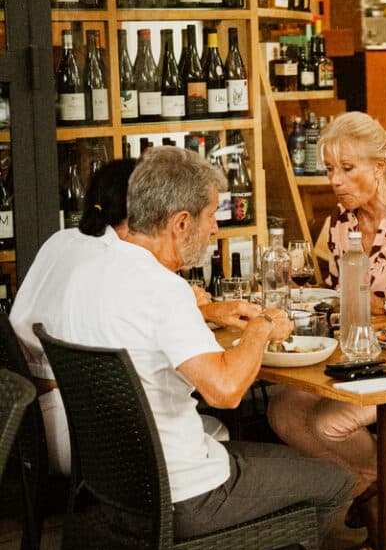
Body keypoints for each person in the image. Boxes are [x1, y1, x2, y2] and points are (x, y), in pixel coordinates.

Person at [33, 145, 354, 550]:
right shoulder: (162, 289)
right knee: (330, 480)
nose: (213, 229)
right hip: (178, 500)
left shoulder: (90, 268)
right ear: (180, 223)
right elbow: (226, 390)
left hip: (110, 495)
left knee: (259, 467)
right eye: (209, 218)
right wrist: (261, 329)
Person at [267, 111, 386, 550]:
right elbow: (332, 295)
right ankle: (369, 486)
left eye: (347, 168)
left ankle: (368, 489)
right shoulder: (340, 223)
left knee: (327, 422)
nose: (335, 180)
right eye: (330, 169)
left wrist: (379, 305)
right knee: (283, 410)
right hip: (354, 356)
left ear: (379, 167)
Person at [11, 157, 245, 475]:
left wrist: (201, 310)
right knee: (196, 423)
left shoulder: (64, 240)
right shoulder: (109, 261)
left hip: (26, 426)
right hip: (81, 433)